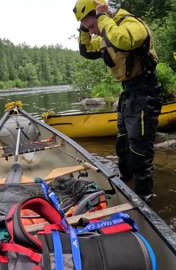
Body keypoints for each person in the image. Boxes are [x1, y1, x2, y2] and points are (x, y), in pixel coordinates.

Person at [73, 0, 162, 204]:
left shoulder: (131, 25)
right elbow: (87, 50)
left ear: (103, 15)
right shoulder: (105, 34)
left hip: (145, 93)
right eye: (89, 29)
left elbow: (123, 40)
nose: (94, 32)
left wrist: (102, 17)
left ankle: (144, 201)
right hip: (128, 95)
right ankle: (125, 186)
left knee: (140, 152)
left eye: (93, 26)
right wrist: (83, 28)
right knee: (123, 145)